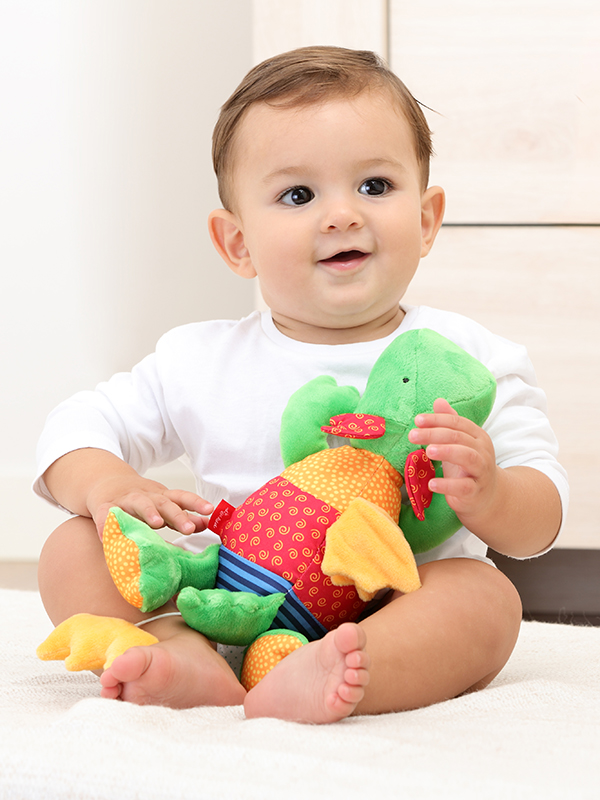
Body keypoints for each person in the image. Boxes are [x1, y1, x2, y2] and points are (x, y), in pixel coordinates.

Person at [34, 46, 568, 724]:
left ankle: (349, 670)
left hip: (390, 605)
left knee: (486, 598)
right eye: (298, 195)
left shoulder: (469, 362)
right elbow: (76, 425)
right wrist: (107, 483)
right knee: (72, 546)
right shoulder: (199, 357)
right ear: (238, 244)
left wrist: (491, 494)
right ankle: (181, 653)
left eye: (375, 185)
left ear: (426, 219)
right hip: (220, 595)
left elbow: (542, 515)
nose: (342, 215)